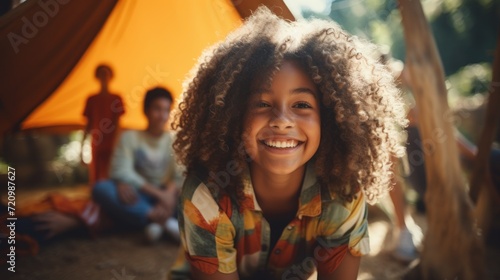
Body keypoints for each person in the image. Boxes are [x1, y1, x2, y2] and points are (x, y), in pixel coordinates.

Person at [168, 7, 407, 280]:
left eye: (302, 104)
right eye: (262, 103)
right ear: (233, 115)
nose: (281, 121)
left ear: (330, 119)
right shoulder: (207, 195)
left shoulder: (343, 192)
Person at [92, 87, 183, 242]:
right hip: (139, 194)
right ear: (146, 111)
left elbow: (180, 174)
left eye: (166, 110)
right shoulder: (129, 137)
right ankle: (162, 221)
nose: (162, 116)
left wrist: (168, 195)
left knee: (195, 192)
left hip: (167, 194)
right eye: (157, 109)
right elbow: (121, 170)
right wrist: (160, 195)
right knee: (101, 188)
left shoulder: (174, 140)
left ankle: (149, 220)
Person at [81, 64, 125, 187]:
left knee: (112, 175)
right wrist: (82, 147)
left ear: (110, 76)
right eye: (101, 74)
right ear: (97, 77)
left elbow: (118, 124)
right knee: (96, 176)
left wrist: (117, 144)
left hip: (112, 143)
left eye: (106, 74)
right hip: (96, 142)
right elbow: (88, 125)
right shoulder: (91, 99)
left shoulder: (116, 98)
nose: (103, 77)